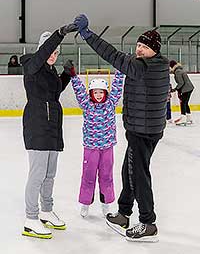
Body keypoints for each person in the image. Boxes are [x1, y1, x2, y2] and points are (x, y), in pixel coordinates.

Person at [72, 14, 169, 242]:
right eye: (138, 45)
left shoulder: (142, 67)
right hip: (148, 128)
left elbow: (112, 54)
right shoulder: (160, 63)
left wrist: (87, 34)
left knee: (138, 175)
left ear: (154, 49)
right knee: (130, 169)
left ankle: (148, 223)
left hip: (142, 130)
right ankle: (124, 212)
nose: (139, 50)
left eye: (144, 47)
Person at [20, 23, 77, 239]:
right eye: (50, 51)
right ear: (42, 50)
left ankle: (46, 210)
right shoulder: (32, 64)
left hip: (53, 126)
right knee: (37, 174)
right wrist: (60, 34)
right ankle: (31, 219)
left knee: (49, 174)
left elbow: (55, 91)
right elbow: (43, 52)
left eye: (56, 53)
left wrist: (66, 75)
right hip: (37, 125)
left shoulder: (49, 71)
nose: (52, 55)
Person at [64, 60, 124, 218]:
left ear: (106, 93)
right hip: (90, 147)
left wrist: (121, 70)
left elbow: (117, 88)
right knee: (88, 176)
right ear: (91, 93)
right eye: (95, 92)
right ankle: (85, 203)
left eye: (101, 92)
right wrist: (73, 76)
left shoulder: (110, 104)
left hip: (107, 147)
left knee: (106, 176)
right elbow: (80, 92)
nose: (98, 95)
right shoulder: (87, 105)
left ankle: (106, 204)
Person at [169, 60, 194, 125]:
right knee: (185, 103)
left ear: (172, 66)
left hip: (186, 89)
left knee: (183, 103)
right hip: (189, 88)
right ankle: (189, 117)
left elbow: (181, 83)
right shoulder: (179, 69)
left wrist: (175, 89)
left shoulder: (177, 71)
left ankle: (183, 118)